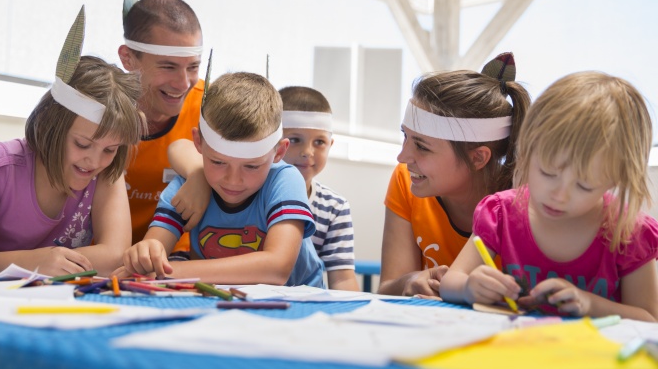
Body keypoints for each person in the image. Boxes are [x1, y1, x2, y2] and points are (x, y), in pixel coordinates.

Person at [441, 72, 658, 321]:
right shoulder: (501, 213)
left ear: (617, 178)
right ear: (527, 150)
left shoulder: (628, 231)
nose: (559, 195)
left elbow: (649, 318)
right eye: (547, 173)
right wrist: (468, 287)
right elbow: (451, 282)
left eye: (584, 186)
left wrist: (590, 303)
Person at [0, 8, 145, 277]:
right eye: (83, 144)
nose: (94, 161)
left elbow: (114, 256)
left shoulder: (106, 173)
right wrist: (32, 263)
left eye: (110, 149)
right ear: (51, 127)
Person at [114, 72, 324, 287]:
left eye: (251, 166)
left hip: (304, 302)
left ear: (279, 152)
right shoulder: (187, 186)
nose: (233, 180)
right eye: (218, 162)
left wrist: (165, 271)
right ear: (198, 142)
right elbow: (154, 247)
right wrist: (146, 254)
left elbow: (277, 268)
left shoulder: (285, 180)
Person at [377, 53, 531, 297]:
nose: (402, 157)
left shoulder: (524, 204)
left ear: (478, 158)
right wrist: (410, 281)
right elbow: (386, 288)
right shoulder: (406, 180)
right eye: (405, 136)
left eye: (422, 146)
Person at [118, 0, 209, 246]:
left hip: (178, 259)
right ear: (127, 58)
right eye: (168, 67)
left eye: (193, 67)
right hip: (101, 257)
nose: (183, 83)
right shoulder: (94, 109)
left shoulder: (212, 108)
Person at [279, 86, 359, 291]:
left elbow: (342, 280)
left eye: (319, 142)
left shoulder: (335, 207)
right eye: (295, 140)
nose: (307, 152)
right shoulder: (251, 195)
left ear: (331, 144)